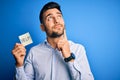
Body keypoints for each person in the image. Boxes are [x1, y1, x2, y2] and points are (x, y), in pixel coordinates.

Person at [12, 2, 94, 80]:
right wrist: (19, 65)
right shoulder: (33, 52)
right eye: (50, 18)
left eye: (59, 16)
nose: (56, 20)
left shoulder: (78, 49)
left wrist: (69, 57)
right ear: (42, 27)